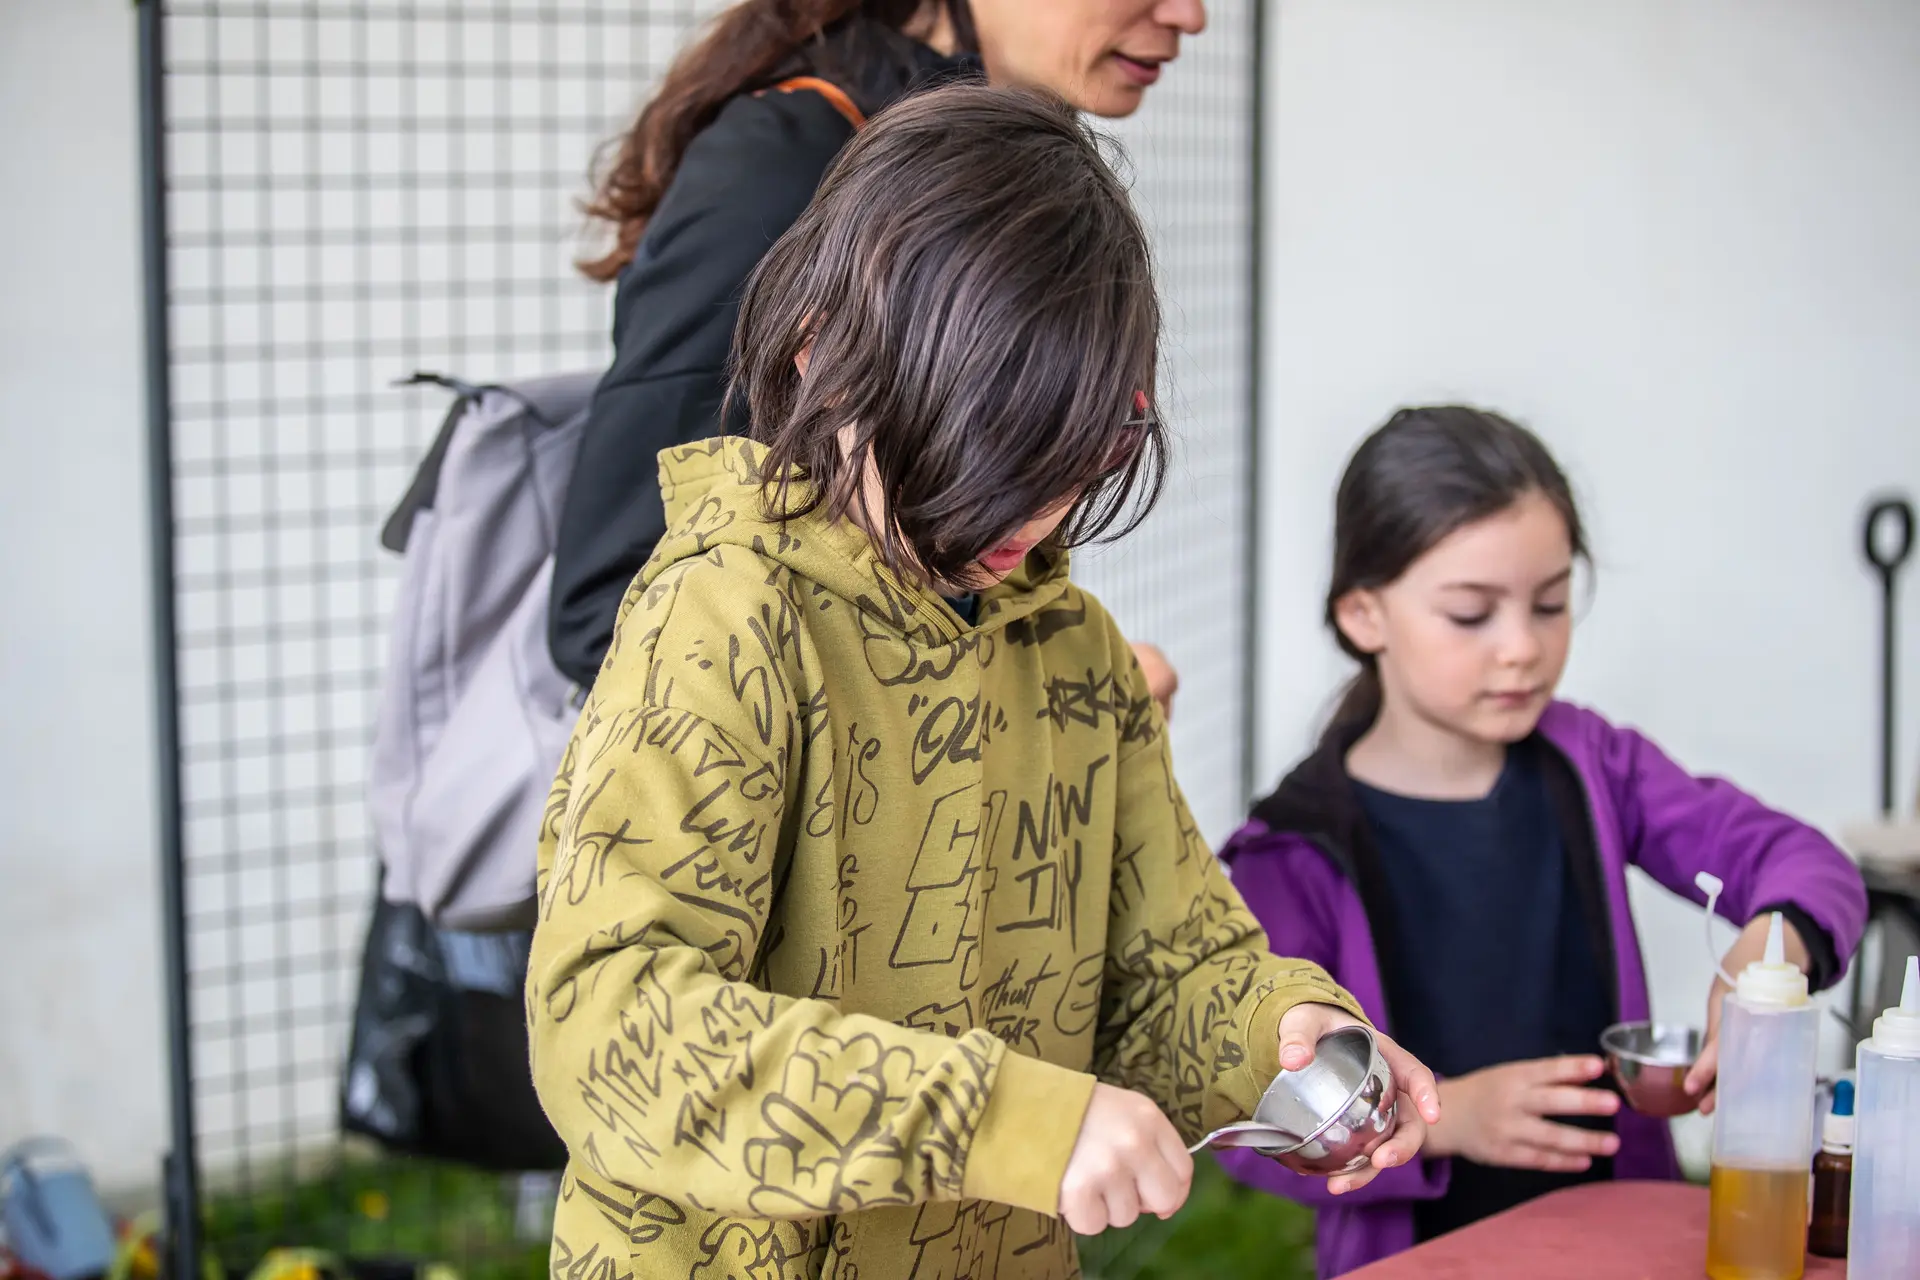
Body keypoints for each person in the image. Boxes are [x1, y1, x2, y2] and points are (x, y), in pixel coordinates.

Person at [525, 86, 1438, 1280]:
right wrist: (1002, 1119)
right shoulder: (725, 617)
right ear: (821, 359)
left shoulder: (1078, 658)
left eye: (1070, 454)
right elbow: (613, 1025)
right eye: (979, 451)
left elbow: (1167, 964)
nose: (1029, 512)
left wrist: (1283, 1031)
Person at [1216, 406, 1867, 1277]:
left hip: (1624, 1242)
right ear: (1365, 614)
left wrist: (1771, 943)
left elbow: (1801, 863)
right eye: (1471, 614)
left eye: (1551, 603)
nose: (1523, 648)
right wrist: (1446, 1116)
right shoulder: (1288, 850)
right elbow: (1244, 1110)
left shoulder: (1597, 765)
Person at [550, 0, 1198, 712]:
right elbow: (617, 607)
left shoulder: (984, 178)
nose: (1190, 15)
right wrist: (1023, 711)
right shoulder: (780, 166)